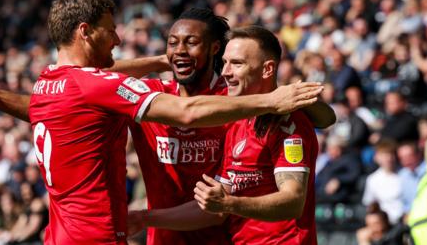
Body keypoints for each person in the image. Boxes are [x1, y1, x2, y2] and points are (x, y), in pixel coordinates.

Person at [0, 0, 324, 245]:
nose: (116, 39)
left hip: (223, 236)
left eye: (190, 43)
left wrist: (287, 100)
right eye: (172, 43)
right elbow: (84, 92)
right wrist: (163, 61)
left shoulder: (235, 101)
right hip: (157, 236)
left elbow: (310, 115)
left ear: (214, 50)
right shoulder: (149, 98)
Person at [128, 26, 321, 245]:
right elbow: (216, 210)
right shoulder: (237, 124)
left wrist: (230, 203)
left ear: (267, 69)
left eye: (237, 63)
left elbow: (293, 202)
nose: (226, 72)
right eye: (225, 62)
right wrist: (143, 218)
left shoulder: (288, 122)